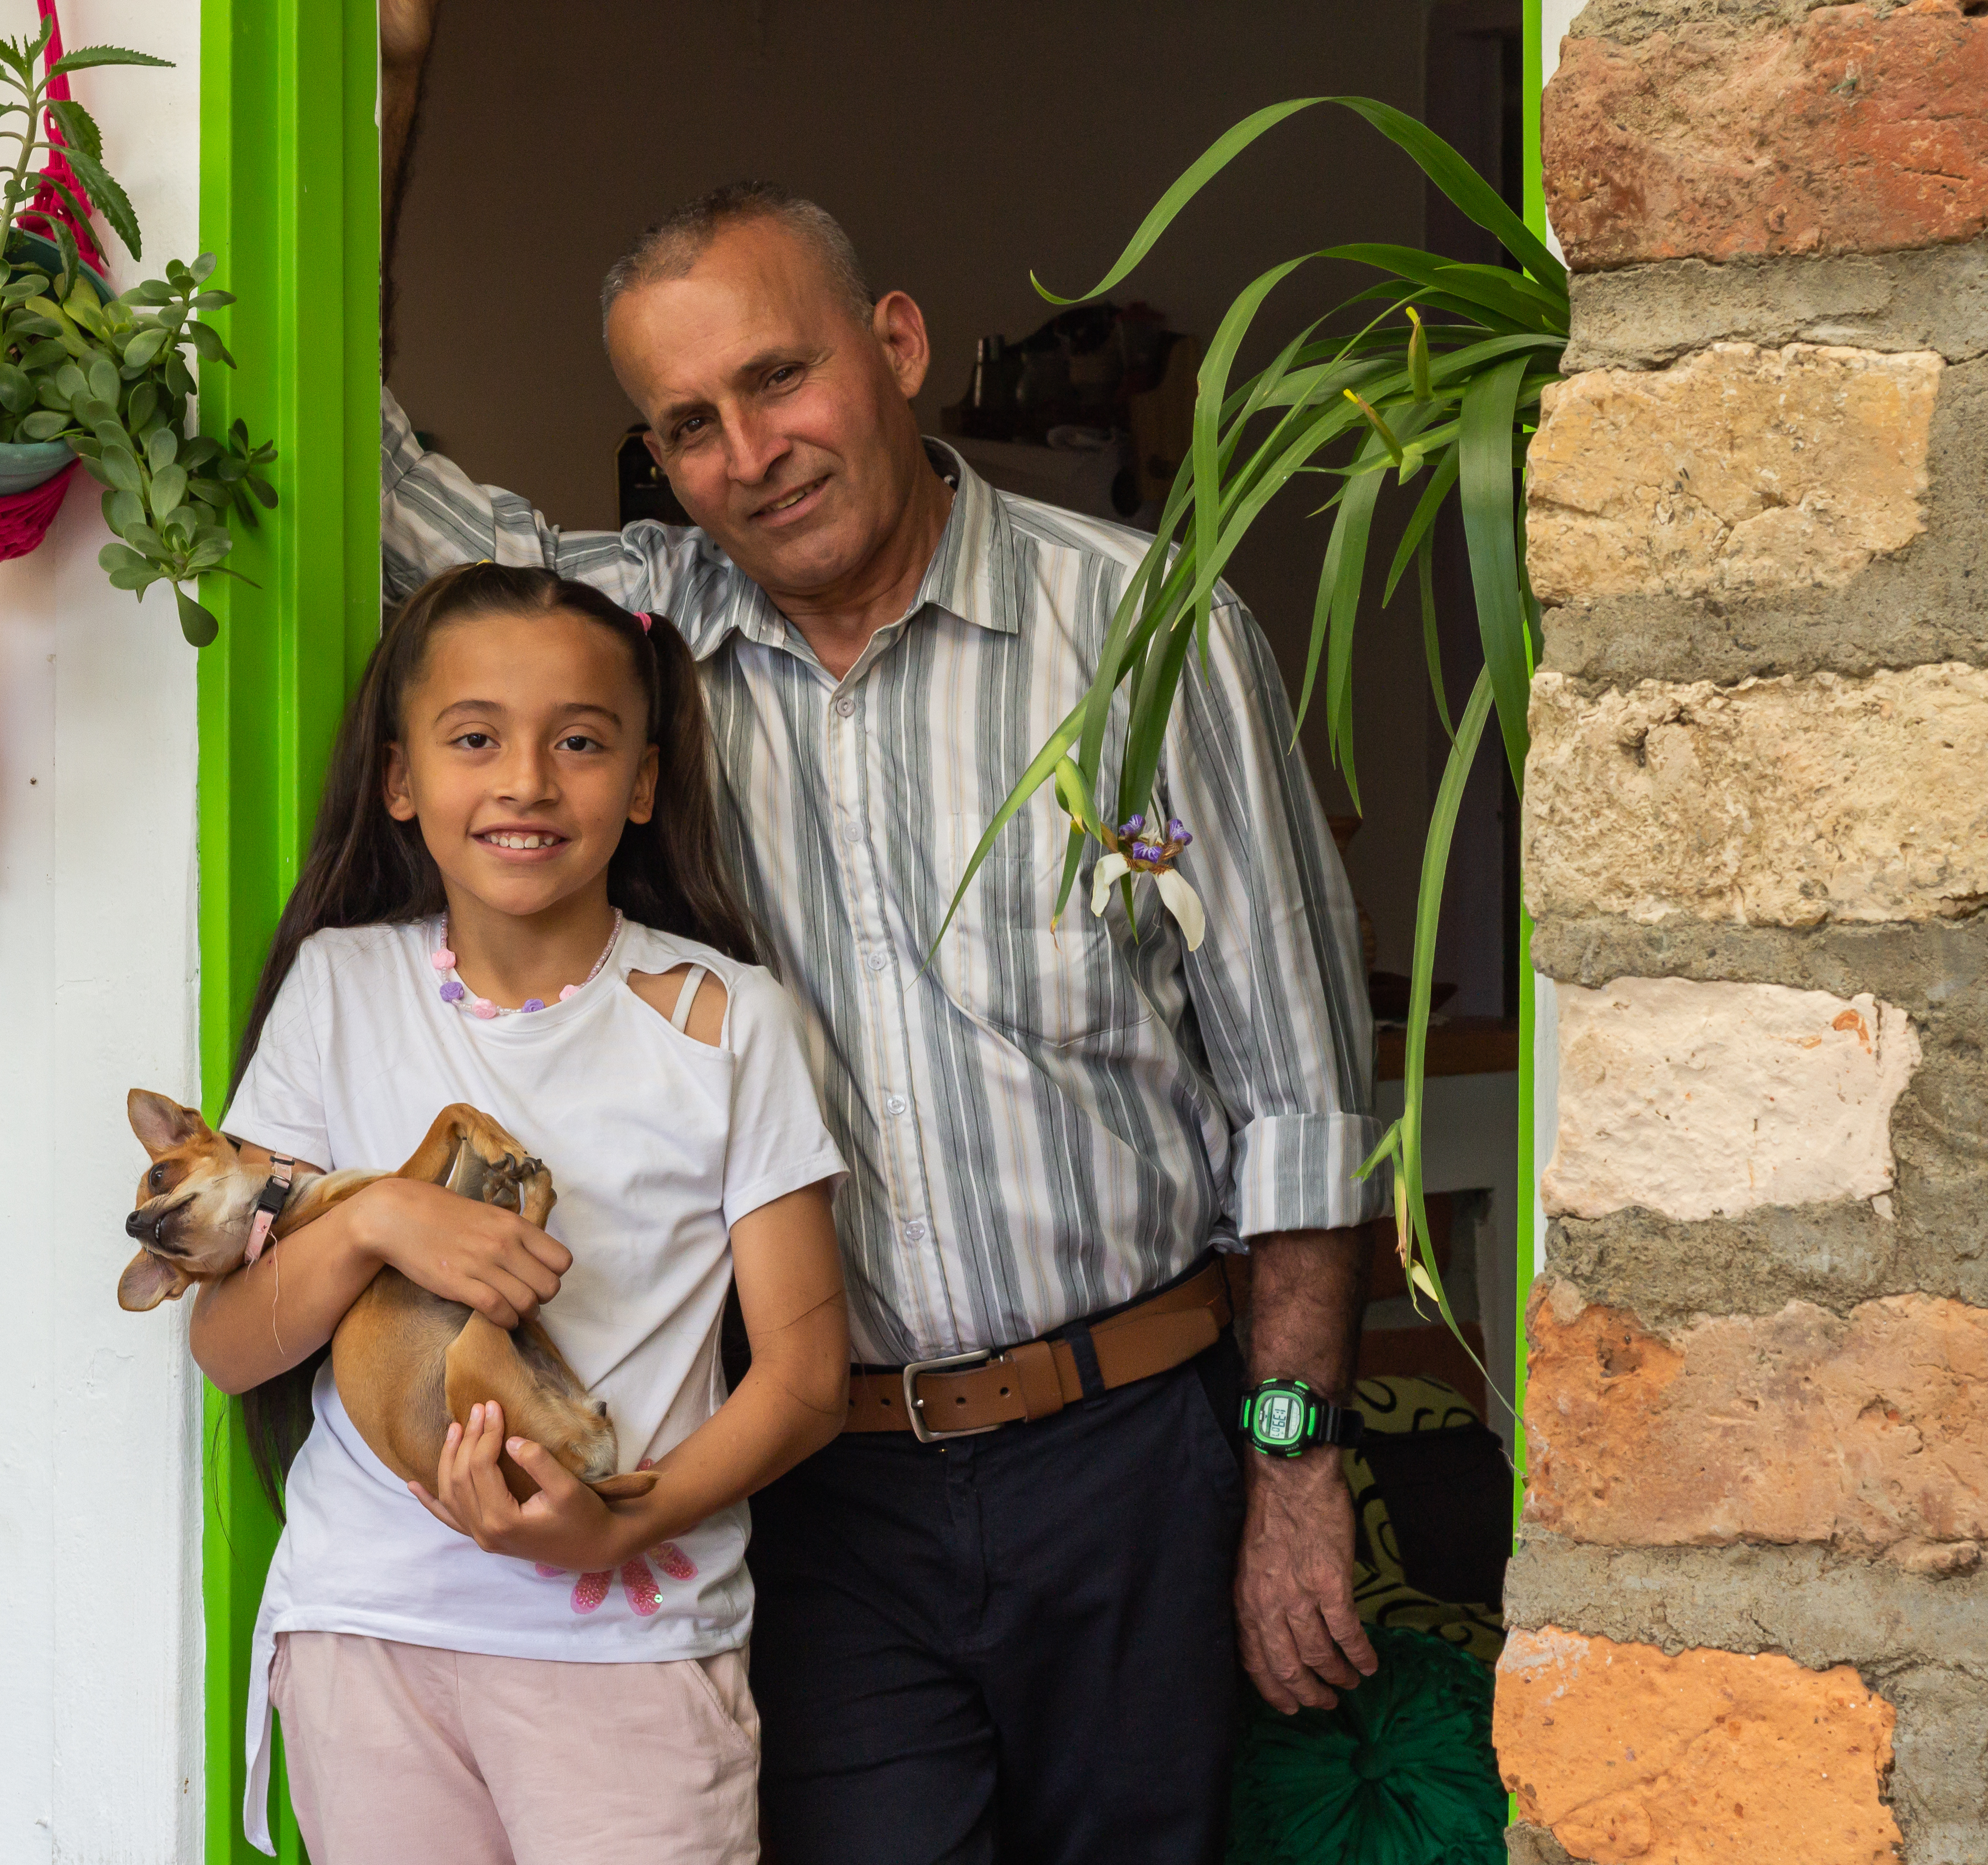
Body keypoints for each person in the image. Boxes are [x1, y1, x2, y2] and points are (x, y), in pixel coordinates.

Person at [373, 12, 1387, 1864]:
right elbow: (379, 493)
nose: (750, 452)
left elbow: (1299, 1092)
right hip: (816, 1484)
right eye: (687, 424)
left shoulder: (1139, 632)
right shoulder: (634, 656)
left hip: (1125, 1453)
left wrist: (1292, 1460)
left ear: (894, 345)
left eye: (781, 378)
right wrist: (385, 96)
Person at [191, 561, 853, 1865]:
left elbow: (807, 1378)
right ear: (400, 778)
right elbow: (227, 1345)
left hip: (626, 1646)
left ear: (647, 783)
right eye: (475, 737)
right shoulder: (339, 987)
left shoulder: (728, 1022)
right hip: (369, 1631)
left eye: (582, 741)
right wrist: (380, 1218)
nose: (527, 783)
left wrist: (620, 1521)